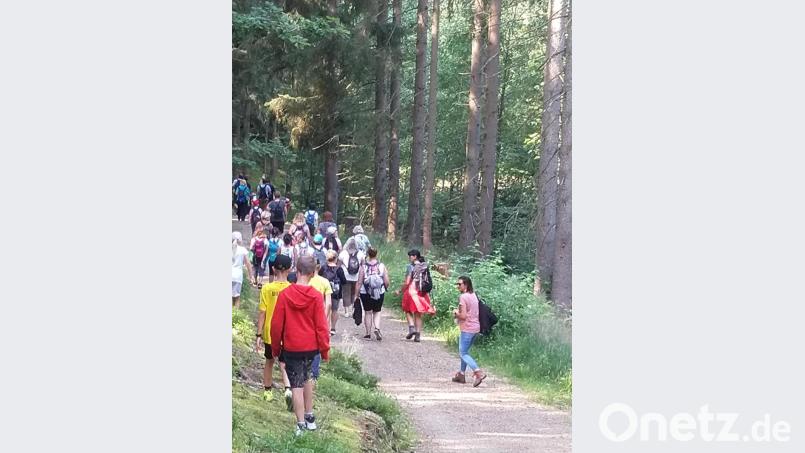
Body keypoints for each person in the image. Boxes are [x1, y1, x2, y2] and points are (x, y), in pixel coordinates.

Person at [270, 256, 330, 436]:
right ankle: (310, 416)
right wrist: (325, 350)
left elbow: (276, 325)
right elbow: (321, 326)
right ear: (312, 273)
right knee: (307, 378)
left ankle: (301, 424)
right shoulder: (316, 296)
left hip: (292, 346)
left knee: (296, 383)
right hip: (311, 346)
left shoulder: (285, 294)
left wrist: (275, 348)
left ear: (296, 270)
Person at [255, 255, 293, 403]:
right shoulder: (292, 289)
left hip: (270, 332)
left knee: (269, 361)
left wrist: (258, 334)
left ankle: (267, 392)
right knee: (285, 363)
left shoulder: (267, 288)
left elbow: (262, 313)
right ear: (290, 269)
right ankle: (288, 390)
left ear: (273, 269)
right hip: (287, 332)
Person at [451, 276, 487, 387]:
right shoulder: (474, 295)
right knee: (465, 351)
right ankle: (461, 374)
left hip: (467, 328)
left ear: (466, 285)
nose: (458, 286)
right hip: (476, 327)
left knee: (463, 353)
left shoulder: (463, 297)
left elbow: (463, 316)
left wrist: (455, 313)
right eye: (457, 284)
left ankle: (478, 372)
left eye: (460, 284)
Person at [396, 249, 436, 342]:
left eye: (410, 256)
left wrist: (400, 290)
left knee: (407, 310)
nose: (409, 258)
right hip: (422, 292)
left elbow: (407, 282)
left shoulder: (410, 267)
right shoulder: (425, 266)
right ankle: (417, 335)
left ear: (414, 256)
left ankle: (411, 328)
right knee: (418, 314)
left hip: (412, 290)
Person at [354, 247, 390, 341]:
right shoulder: (381, 266)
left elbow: (359, 282)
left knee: (368, 312)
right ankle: (377, 328)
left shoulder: (363, 267)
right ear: (376, 254)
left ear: (368, 254)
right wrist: (385, 287)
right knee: (377, 311)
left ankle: (368, 333)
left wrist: (356, 294)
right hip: (379, 291)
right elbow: (386, 280)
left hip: (365, 292)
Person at [320, 250, 347, 335]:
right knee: (334, 310)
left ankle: (324, 326)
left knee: (325, 308)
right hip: (336, 292)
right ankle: (333, 328)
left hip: (325, 291)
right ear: (336, 258)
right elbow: (344, 281)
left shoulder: (323, 268)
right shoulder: (339, 269)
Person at [338, 237, 365, 317]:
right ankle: (353, 309)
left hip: (345, 276)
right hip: (356, 277)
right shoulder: (360, 253)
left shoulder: (343, 253)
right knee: (354, 293)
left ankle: (346, 311)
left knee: (346, 293)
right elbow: (363, 265)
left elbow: (339, 265)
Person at [232, 231, 253, 308]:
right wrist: (251, 276)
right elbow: (248, 264)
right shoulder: (242, 250)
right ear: (240, 240)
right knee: (237, 298)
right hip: (237, 276)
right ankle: (235, 316)